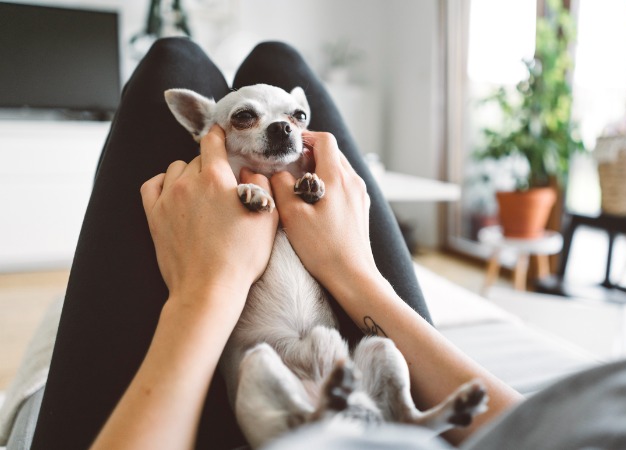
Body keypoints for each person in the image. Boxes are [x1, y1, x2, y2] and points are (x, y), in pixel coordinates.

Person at [29, 38, 522, 450]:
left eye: (295, 117)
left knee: (173, 56)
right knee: (276, 58)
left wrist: (202, 291)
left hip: (262, 403)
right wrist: (357, 273)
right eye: (247, 118)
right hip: (360, 388)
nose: (284, 127)